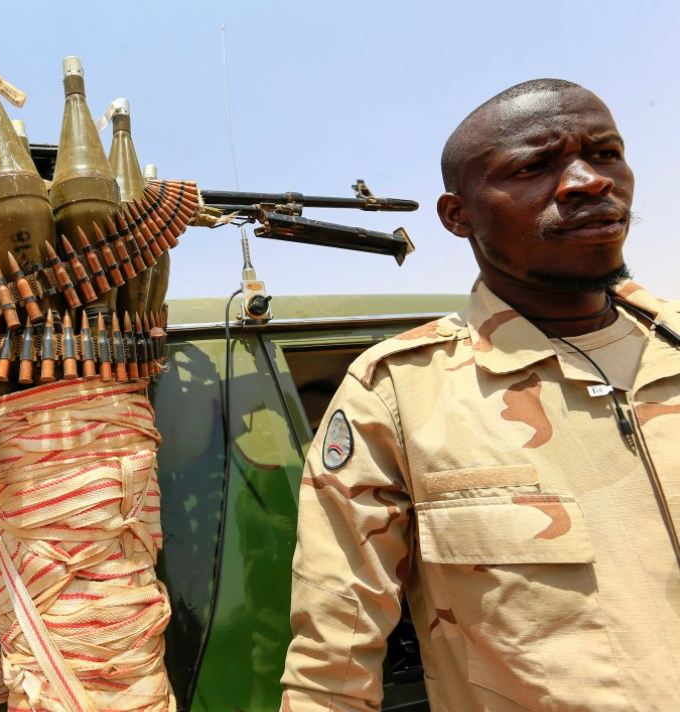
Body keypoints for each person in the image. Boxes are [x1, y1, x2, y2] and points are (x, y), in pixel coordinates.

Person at [281, 79, 680, 711]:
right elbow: (332, 664)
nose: (588, 180)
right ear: (457, 215)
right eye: (533, 166)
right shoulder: (400, 395)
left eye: (605, 154)